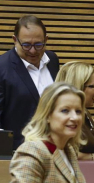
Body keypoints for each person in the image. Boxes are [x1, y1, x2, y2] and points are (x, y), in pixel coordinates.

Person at [0, 15, 59, 150]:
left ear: (46, 40)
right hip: (19, 151)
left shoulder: (53, 60)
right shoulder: (2, 67)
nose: (32, 51)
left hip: (54, 149)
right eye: (26, 45)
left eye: (38, 45)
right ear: (15, 40)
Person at [55, 61, 94, 160]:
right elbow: (55, 151)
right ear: (78, 86)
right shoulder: (57, 117)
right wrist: (89, 157)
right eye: (93, 86)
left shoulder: (86, 114)